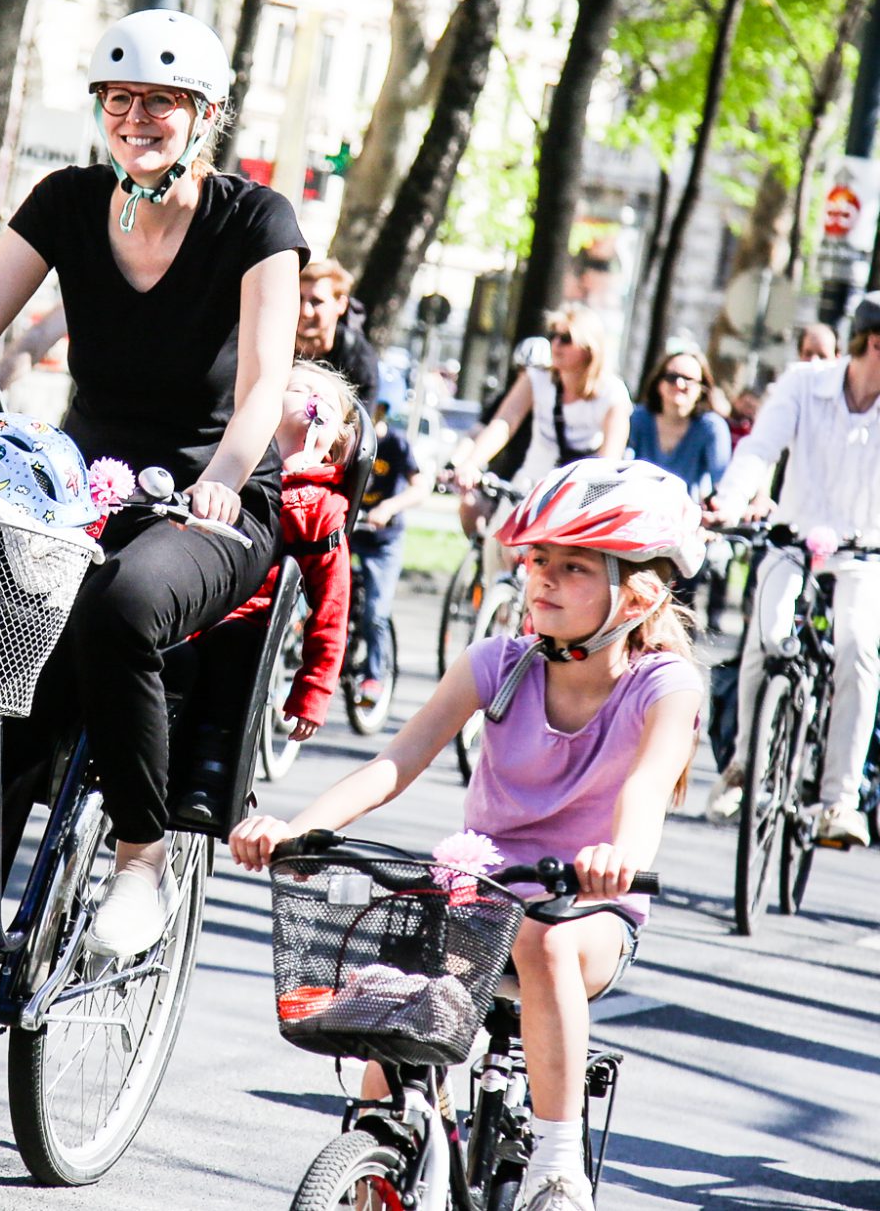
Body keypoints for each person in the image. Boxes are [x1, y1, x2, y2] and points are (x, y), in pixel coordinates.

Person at [0, 8, 302, 959]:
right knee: (5, 670)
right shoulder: (65, 200)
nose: (137, 118)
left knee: (122, 605)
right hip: (80, 481)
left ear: (204, 113)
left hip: (210, 500)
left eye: (161, 102)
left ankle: (140, 859)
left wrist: (220, 478)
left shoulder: (257, 221)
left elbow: (262, 383)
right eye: (119, 98)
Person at [231, 459, 706, 1211]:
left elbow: (648, 785)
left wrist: (619, 858)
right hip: (478, 897)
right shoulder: (498, 664)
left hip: (581, 912)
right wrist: (295, 828)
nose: (543, 579)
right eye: (537, 561)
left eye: (574, 567)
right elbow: (394, 762)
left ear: (638, 591)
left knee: (542, 941)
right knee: (395, 1007)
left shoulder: (663, 685)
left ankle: (558, 1166)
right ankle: (381, 1158)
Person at [703, 294, 880, 846]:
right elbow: (759, 449)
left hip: (864, 554)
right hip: (792, 540)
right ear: (873, 342)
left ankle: (838, 802)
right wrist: (731, 501)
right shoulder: (804, 384)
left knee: (858, 648)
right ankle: (741, 769)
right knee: (769, 634)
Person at [175, 362, 357, 824]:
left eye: (326, 404)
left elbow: (332, 606)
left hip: (243, 621)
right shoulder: (225, 465)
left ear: (338, 441)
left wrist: (312, 690)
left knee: (231, 655)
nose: (312, 401)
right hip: (192, 599)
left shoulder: (321, 505)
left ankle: (209, 776)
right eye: (297, 388)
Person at [449, 304, 631, 535]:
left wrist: (594, 498)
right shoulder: (537, 379)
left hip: (576, 498)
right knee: (499, 555)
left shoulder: (612, 393)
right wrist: (472, 463)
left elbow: (610, 459)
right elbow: (504, 423)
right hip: (528, 486)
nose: (555, 344)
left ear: (589, 348)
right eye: (552, 335)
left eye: (565, 338)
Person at [350, 386, 435, 706]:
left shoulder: (395, 444)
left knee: (375, 611)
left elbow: (420, 488)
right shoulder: (350, 440)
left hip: (383, 541)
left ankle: (374, 675)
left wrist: (388, 508)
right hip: (350, 533)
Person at [628, 347, 729, 500]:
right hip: (635, 508)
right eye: (671, 377)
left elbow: (722, 481)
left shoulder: (711, 427)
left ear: (702, 389)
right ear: (659, 383)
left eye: (688, 379)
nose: (679, 384)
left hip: (685, 516)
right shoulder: (637, 418)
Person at [294, 258, 379, 407]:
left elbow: (358, 426)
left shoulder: (358, 360)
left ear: (341, 305)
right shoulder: (271, 343)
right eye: (299, 299)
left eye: (316, 301)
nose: (305, 311)